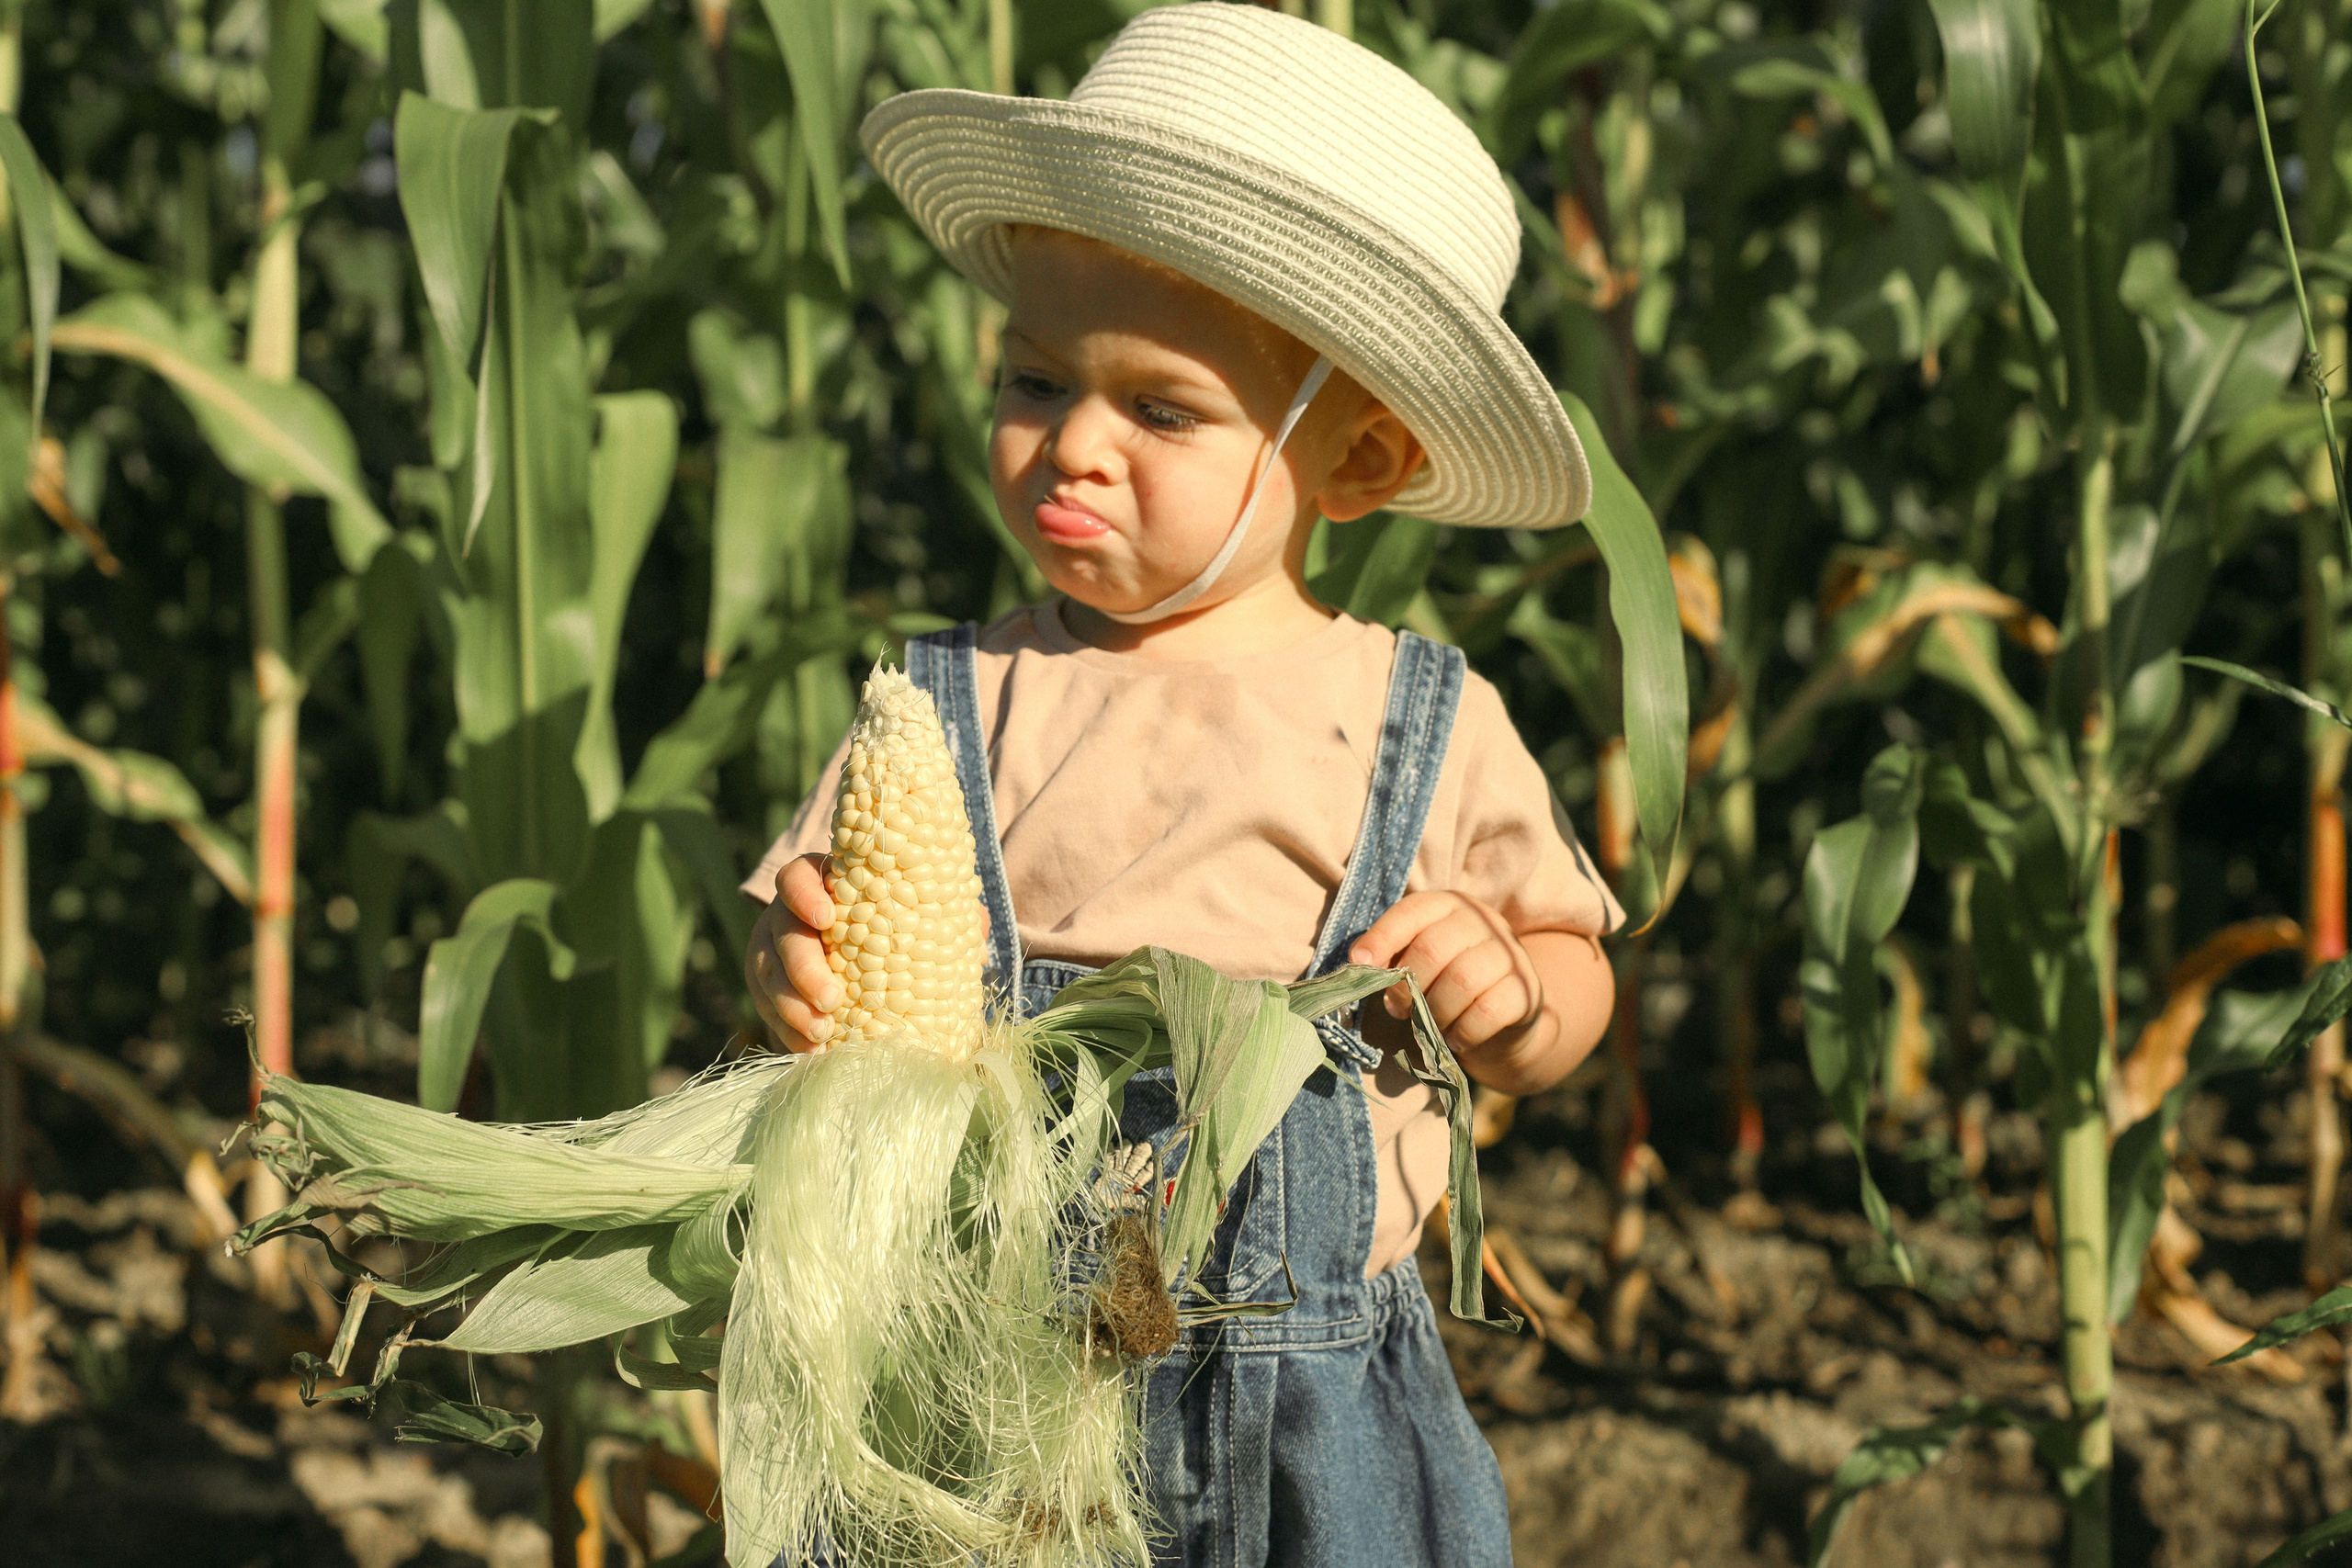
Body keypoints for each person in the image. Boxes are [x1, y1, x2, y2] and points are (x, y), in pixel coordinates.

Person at [742, 6, 1621, 1563]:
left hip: (1313, 1406)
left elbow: (1567, 966)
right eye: (1033, 381)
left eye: (1160, 409)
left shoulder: (1418, 714)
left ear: (1357, 461)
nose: (1072, 444)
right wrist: (798, 974)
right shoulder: (944, 708)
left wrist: (1518, 999)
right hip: (997, 1388)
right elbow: (803, 932)